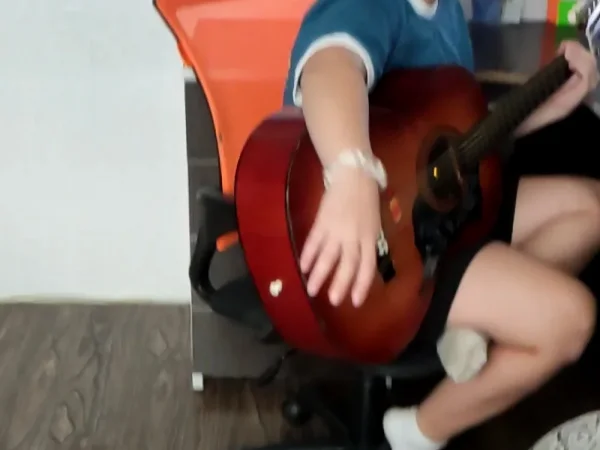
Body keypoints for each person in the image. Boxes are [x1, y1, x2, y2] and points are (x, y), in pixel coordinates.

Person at [282, 0, 600, 449]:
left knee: (591, 208)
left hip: (440, 217)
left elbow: (457, 137)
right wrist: (351, 173)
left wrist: (551, 106)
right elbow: (328, 68)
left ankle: (476, 327)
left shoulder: (447, 11)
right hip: (386, 251)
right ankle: (418, 432)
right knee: (571, 320)